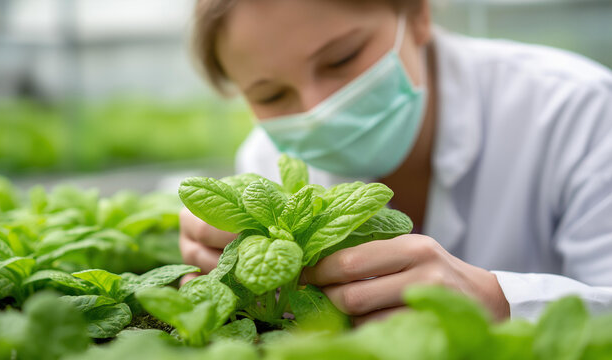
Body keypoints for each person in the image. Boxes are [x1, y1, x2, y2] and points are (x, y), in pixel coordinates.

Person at [179, 0, 612, 324]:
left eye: (341, 58)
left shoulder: (578, 108)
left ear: (418, 14)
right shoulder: (265, 159)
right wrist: (229, 287)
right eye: (271, 95)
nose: (317, 109)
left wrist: (503, 301)